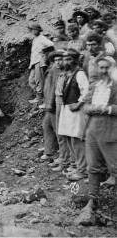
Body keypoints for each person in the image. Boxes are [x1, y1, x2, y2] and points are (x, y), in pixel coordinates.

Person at [77, 57, 117, 224]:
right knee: (92, 167)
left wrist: (104, 108)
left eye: (106, 68)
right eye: (100, 67)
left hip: (110, 130)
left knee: (115, 167)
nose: (102, 71)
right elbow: (85, 106)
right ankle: (92, 202)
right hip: (92, 130)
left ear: (112, 68)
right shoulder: (95, 85)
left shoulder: (115, 86)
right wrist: (91, 109)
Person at [58, 49, 89, 181]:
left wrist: (78, 103)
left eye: (69, 59)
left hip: (76, 111)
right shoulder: (68, 74)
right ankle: (77, 165)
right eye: (65, 59)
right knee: (69, 137)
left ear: (75, 60)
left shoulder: (80, 74)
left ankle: (83, 170)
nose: (66, 61)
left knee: (77, 140)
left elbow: (87, 91)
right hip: (67, 110)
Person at [41, 51, 64, 161]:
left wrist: (50, 104)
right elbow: (47, 88)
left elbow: (54, 89)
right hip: (49, 105)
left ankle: (62, 156)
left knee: (58, 130)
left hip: (55, 106)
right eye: (56, 60)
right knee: (46, 126)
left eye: (60, 59)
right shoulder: (52, 69)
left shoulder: (60, 71)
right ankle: (49, 151)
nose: (58, 62)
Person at [28, 22, 54, 105]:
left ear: (38, 30)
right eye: (31, 30)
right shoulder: (35, 39)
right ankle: (39, 96)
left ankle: (40, 99)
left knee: (39, 81)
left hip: (40, 62)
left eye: (33, 30)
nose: (32, 31)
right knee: (31, 81)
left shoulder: (42, 38)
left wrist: (44, 54)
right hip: (34, 62)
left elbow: (51, 45)